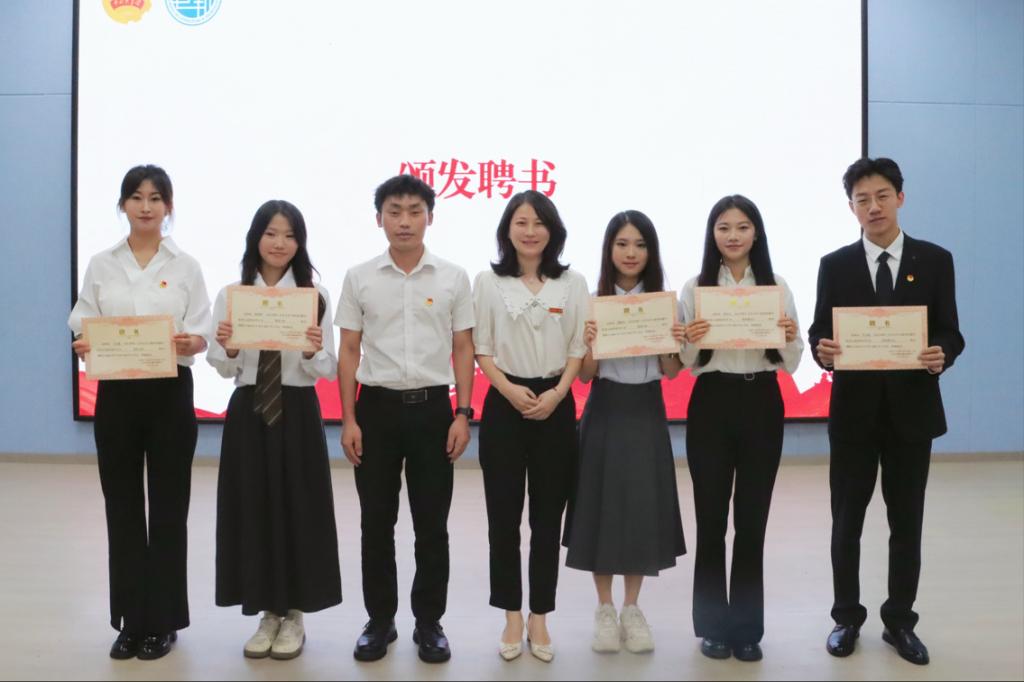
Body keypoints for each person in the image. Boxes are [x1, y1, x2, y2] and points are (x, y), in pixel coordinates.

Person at [810, 157, 965, 666]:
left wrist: (942, 353)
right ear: (851, 207)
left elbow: (950, 330)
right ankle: (846, 618)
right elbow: (819, 332)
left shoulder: (935, 259)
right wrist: (823, 351)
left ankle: (900, 621)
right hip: (853, 416)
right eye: (862, 199)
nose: (873, 207)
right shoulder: (835, 265)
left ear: (900, 197)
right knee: (846, 523)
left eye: (881, 196)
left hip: (911, 416)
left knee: (907, 523)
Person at [69, 164, 211, 661]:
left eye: (155, 198)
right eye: (136, 197)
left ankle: (164, 621)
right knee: (122, 507)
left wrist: (192, 341)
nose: (146, 206)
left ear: (168, 206)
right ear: (123, 205)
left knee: (169, 509)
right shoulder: (101, 263)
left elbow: (202, 329)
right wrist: (84, 340)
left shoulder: (186, 265)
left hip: (170, 394)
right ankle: (130, 621)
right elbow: (82, 318)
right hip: (117, 396)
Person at [336, 175, 475, 664]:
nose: (404, 221)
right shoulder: (360, 277)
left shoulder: (453, 277)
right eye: (394, 211)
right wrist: (348, 419)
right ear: (379, 218)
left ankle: (429, 622)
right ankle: (380, 620)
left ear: (430, 217)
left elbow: (463, 347)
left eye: (415, 211)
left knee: (431, 525)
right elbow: (348, 350)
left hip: (434, 411)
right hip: (375, 410)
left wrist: (463, 413)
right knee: (376, 523)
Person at [208, 200, 342, 660]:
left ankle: (295, 615)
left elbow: (326, 367)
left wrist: (311, 351)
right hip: (249, 409)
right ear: (256, 238)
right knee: (253, 507)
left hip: (296, 409)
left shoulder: (313, 295)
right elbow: (222, 367)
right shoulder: (233, 294)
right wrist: (227, 348)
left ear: (300, 243)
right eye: (271, 233)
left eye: (289, 235)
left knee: (298, 508)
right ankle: (267, 612)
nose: (280, 243)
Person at [679, 194, 802, 662]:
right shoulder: (696, 288)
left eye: (743, 227)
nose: (733, 236)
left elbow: (792, 362)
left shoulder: (776, 287)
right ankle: (712, 626)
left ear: (757, 233)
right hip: (711, 402)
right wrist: (690, 341)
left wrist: (788, 338)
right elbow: (686, 363)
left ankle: (747, 628)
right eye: (724, 227)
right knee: (711, 521)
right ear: (712, 234)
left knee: (752, 522)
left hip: (761, 401)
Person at [564, 210, 687, 654]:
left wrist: (672, 341)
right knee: (600, 505)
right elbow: (584, 376)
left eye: (640, 244)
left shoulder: (664, 304)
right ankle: (604, 609)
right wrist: (591, 343)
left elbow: (671, 371)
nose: (631, 253)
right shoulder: (594, 301)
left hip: (646, 409)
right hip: (605, 407)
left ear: (650, 252)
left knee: (640, 507)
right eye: (622, 244)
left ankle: (632, 609)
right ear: (609, 250)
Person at [473, 190, 589, 663]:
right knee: (503, 520)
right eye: (521, 222)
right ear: (508, 229)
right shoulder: (488, 282)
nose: (530, 231)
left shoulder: (573, 283)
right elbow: (481, 347)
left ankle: (540, 615)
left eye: (539, 222)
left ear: (553, 230)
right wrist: (508, 389)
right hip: (505, 403)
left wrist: (558, 394)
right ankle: (511, 614)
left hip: (555, 404)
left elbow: (578, 347)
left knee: (546, 520)